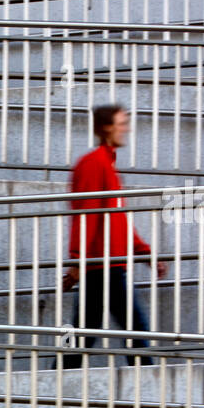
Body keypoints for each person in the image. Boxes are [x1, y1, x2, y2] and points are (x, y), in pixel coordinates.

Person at [60, 104, 166, 368]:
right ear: (107, 127)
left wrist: (144, 252)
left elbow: (116, 219)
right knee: (135, 332)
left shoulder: (106, 164)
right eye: (122, 123)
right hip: (103, 266)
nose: (127, 128)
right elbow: (87, 213)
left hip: (105, 265)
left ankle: (54, 388)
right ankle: (150, 392)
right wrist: (77, 260)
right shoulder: (94, 163)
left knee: (84, 337)